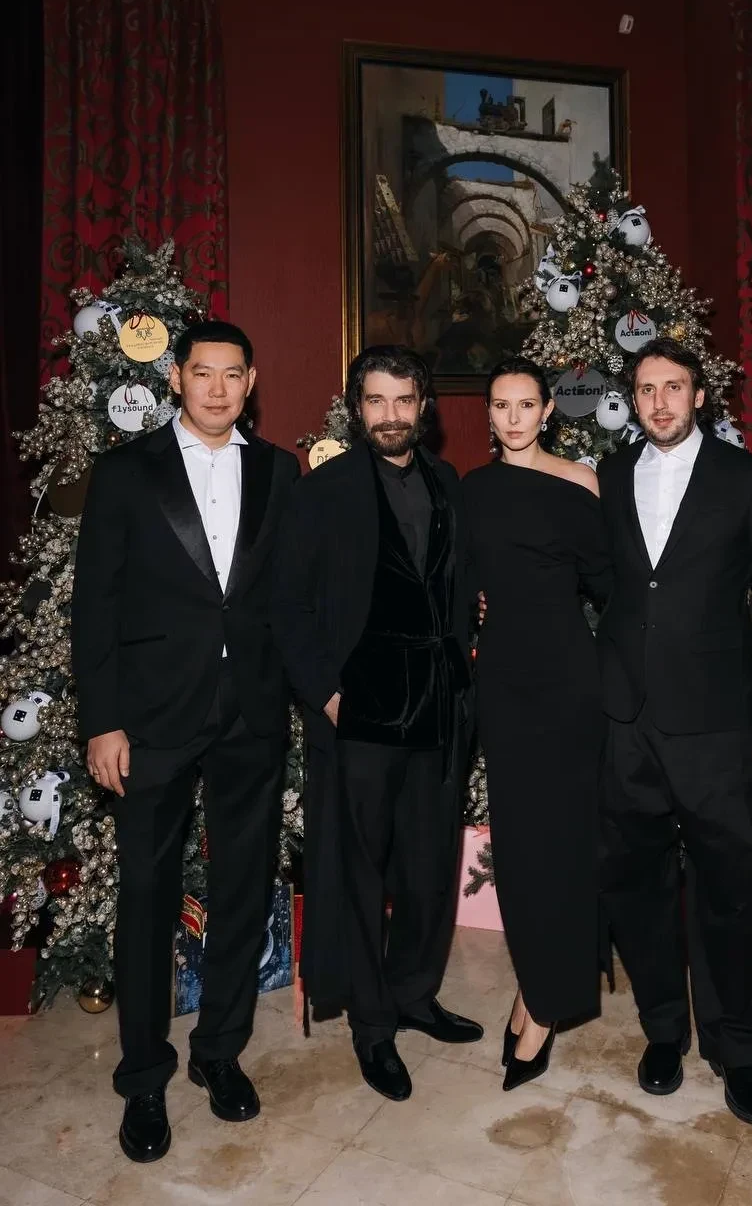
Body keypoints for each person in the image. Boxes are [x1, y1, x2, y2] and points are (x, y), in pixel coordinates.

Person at [71, 321, 300, 1163]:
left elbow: (289, 591)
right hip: (150, 719)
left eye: (232, 375)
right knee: (146, 896)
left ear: (251, 382)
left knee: (243, 889)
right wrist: (102, 720)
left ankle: (220, 1052)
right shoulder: (126, 472)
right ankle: (143, 1078)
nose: (216, 389)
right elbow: (94, 603)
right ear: (176, 378)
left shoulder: (278, 471)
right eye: (202, 373)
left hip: (250, 713)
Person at [596, 337, 752, 1127]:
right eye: (645, 389)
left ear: (697, 396)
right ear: (633, 399)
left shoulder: (745, 479)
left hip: (720, 728)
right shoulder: (609, 475)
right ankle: (663, 1030)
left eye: (673, 387)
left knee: (729, 892)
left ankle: (733, 1048)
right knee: (637, 887)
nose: (658, 402)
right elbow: (593, 580)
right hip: (626, 724)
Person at [275, 345, 483, 1102]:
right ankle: (371, 1024)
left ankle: (414, 994)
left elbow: (457, 584)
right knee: (359, 872)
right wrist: (326, 694)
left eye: (403, 401)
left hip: (438, 703)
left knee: (430, 863)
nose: (390, 416)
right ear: (355, 408)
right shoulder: (322, 491)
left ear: (423, 406)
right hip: (360, 707)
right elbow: (287, 604)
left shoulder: (446, 481)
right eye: (375, 401)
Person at [463, 356, 611, 1091]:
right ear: (488, 413)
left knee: (565, 840)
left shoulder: (580, 484)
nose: (514, 417)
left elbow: (613, 588)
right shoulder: (472, 490)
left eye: (526, 404)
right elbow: (457, 581)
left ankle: (548, 1005)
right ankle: (535, 984)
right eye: (501, 405)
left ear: (548, 409)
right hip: (503, 682)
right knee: (520, 845)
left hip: (567, 680)